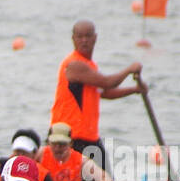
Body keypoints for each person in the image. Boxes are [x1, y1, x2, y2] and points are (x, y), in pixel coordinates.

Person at [51, 20, 146, 171]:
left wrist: (135, 90)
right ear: (73, 39)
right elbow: (108, 82)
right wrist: (129, 69)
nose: (84, 40)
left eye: (88, 36)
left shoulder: (90, 66)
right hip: (70, 137)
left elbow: (105, 92)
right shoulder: (74, 65)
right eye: (80, 36)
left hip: (89, 137)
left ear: (95, 38)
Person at [39, 121, 115, 181]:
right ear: (48, 142)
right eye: (54, 143)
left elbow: (106, 180)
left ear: (70, 143)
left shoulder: (80, 161)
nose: (57, 148)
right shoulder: (41, 154)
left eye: (62, 144)